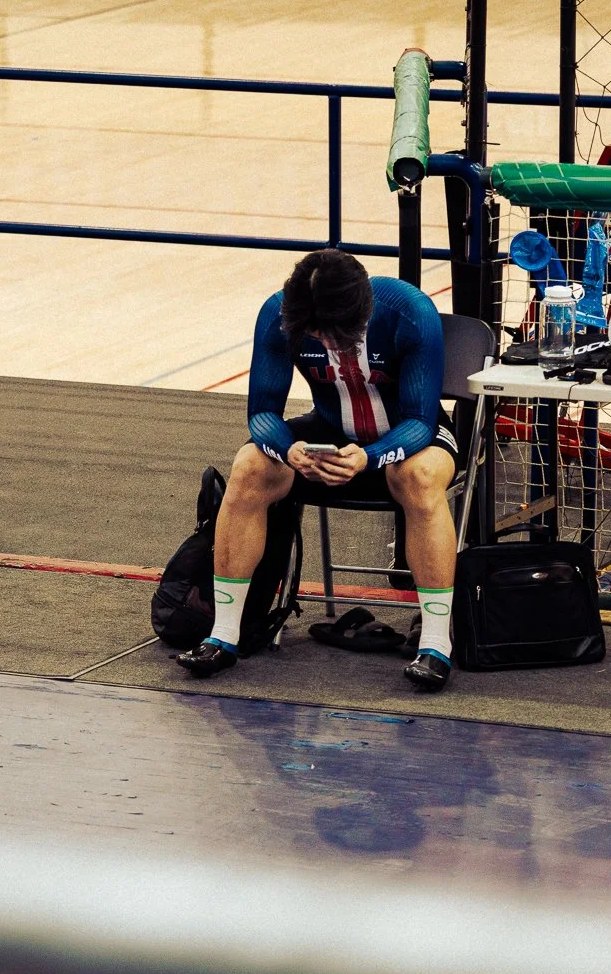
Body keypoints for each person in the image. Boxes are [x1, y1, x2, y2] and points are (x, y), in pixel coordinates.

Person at [174, 249, 460, 692]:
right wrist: (289, 451)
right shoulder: (278, 314)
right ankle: (223, 635)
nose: (326, 345)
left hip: (410, 434)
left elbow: (421, 421)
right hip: (328, 431)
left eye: (336, 337)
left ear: (361, 313)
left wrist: (371, 456)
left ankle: (437, 645)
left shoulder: (409, 310)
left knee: (417, 478)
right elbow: (262, 414)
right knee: (249, 464)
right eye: (314, 335)